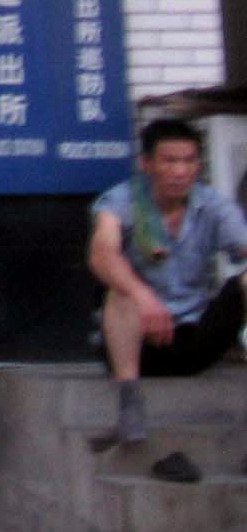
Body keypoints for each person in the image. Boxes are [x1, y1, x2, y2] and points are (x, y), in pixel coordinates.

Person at [88, 117, 247, 477]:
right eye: (170, 161)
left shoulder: (212, 205)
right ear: (148, 164)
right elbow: (101, 254)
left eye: (188, 161)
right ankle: (130, 409)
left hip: (193, 337)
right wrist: (143, 296)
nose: (180, 171)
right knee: (119, 288)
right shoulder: (122, 200)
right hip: (136, 345)